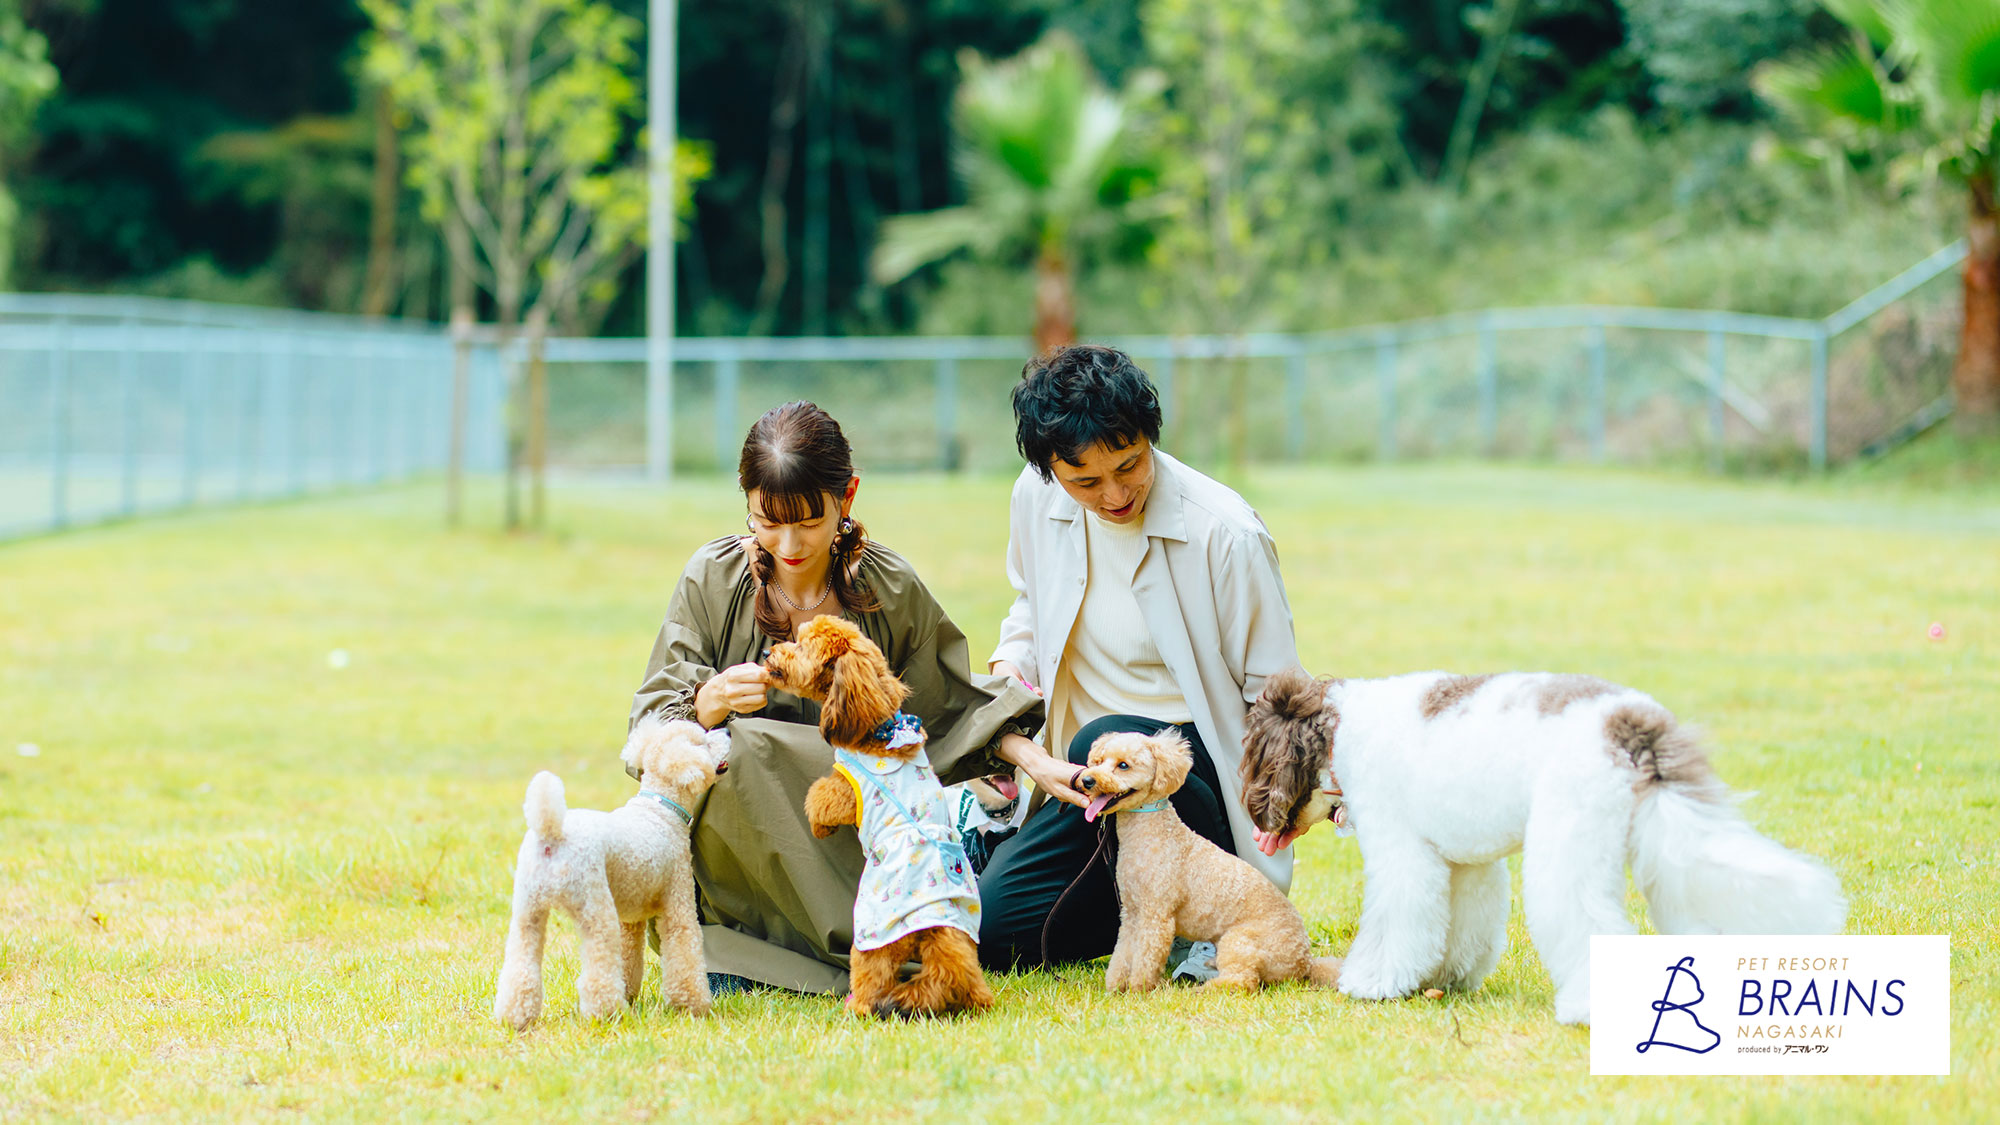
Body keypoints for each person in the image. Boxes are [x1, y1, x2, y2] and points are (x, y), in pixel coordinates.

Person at [626, 401, 1044, 994]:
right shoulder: (712, 579)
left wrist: (1037, 762)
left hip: (860, 842)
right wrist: (708, 702)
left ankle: (891, 927)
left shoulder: (888, 587)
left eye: (808, 521)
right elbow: (647, 730)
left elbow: (952, 709)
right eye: (766, 521)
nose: (788, 543)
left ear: (846, 497)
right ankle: (747, 954)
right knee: (736, 749)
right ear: (746, 502)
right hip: (744, 874)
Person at [976, 345, 1304, 968]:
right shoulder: (1033, 498)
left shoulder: (1225, 533)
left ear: (1151, 437)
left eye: (1129, 466)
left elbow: (1275, 693)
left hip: (1189, 779)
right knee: (993, 935)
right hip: (1088, 785)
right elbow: (1028, 604)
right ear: (1050, 471)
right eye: (1086, 482)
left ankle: (1209, 908)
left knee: (1101, 736)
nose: (1115, 494)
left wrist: (1287, 798)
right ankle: (1154, 911)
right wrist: (1009, 674)